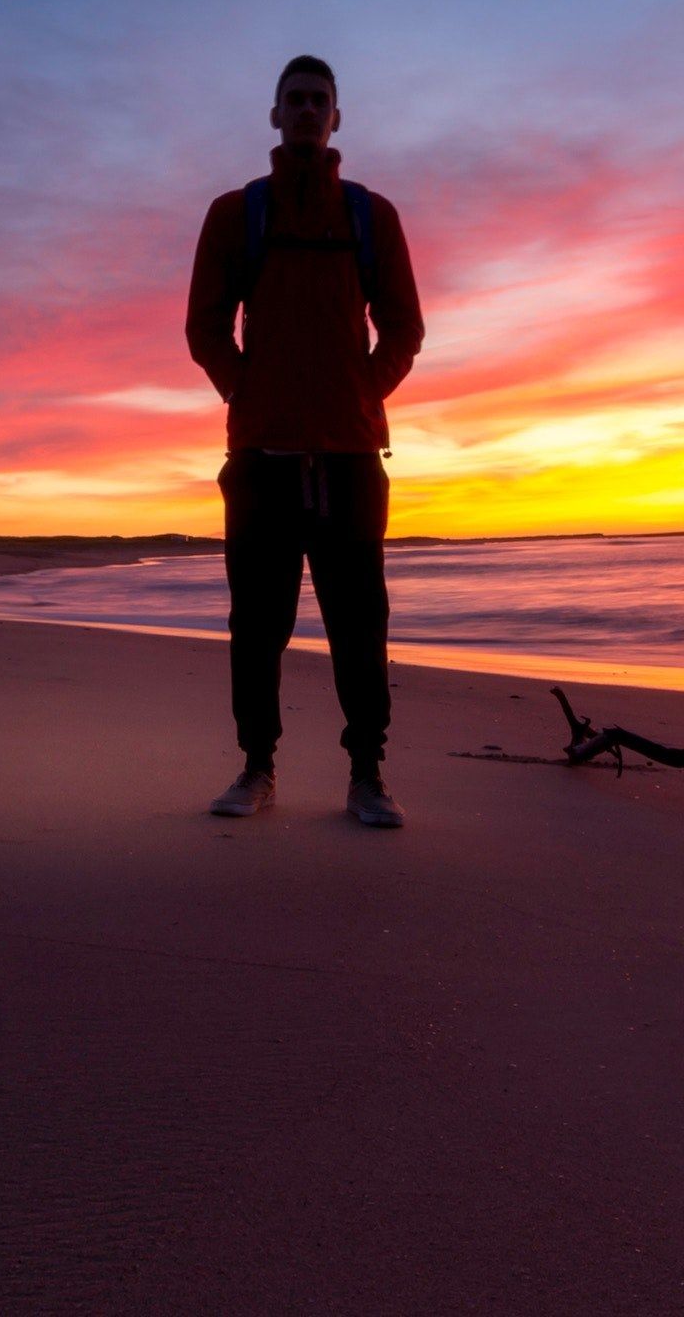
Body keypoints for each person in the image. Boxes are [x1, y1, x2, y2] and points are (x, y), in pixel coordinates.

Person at [183, 54, 425, 827]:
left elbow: (405, 326)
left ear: (338, 118)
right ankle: (257, 768)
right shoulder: (236, 213)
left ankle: (367, 775)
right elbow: (205, 326)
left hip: (351, 459)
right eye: (296, 100)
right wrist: (248, 392)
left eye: (322, 100)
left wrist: (359, 393)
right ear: (275, 114)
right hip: (261, 458)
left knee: (361, 623)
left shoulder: (369, 215)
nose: (309, 111)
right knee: (257, 624)